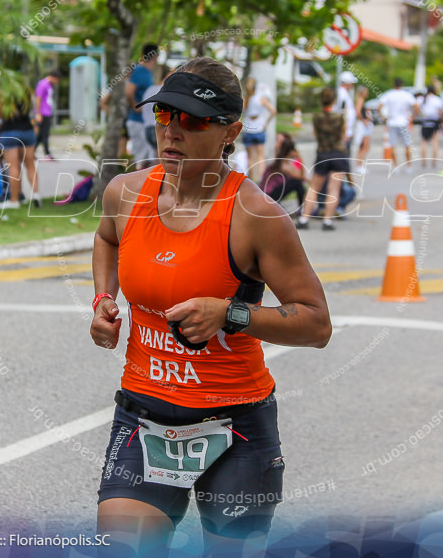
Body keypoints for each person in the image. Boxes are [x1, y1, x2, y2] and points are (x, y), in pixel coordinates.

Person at [90, 56, 331, 556]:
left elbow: (316, 323)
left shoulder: (256, 217)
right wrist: (102, 299)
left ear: (230, 132)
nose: (172, 133)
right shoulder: (126, 192)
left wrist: (230, 314)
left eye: (192, 121)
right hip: (144, 416)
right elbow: (106, 237)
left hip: (235, 428)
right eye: (164, 117)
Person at [297, 87, 350, 231]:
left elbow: (315, 133)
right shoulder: (339, 117)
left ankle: (304, 218)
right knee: (334, 189)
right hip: (338, 153)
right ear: (334, 101)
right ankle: (327, 221)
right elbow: (343, 135)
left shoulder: (317, 117)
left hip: (323, 153)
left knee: (314, 187)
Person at [0, 90, 40, 209]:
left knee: (13, 167)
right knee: (30, 164)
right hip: (27, 130)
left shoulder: (3, 93)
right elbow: (33, 108)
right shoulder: (26, 92)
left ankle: (14, 200)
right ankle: (36, 194)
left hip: (9, 131)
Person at [125, 44, 160, 167]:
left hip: (142, 122)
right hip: (137, 121)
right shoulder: (140, 71)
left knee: (144, 158)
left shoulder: (146, 72)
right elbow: (129, 90)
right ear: (155, 56)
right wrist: (136, 106)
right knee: (138, 160)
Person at [241, 77, 276, 183]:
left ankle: (251, 181)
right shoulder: (260, 98)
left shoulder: (245, 99)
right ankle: (262, 180)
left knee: (250, 158)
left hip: (248, 129)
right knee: (261, 157)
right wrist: (266, 123)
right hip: (260, 128)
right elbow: (273, 111)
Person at [260, 132, 306, 211]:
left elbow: (302, 177)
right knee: (297, 183)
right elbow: (301, 177)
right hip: (268, 195)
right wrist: (300, 157)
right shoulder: (283, 165)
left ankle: (303, 208)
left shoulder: (281, 162)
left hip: (267, 193)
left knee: (297, 182)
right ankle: (302, 210)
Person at [378, 78, 415, 169]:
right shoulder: (406, 95)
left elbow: (379, 107)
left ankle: (396, 166)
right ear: (402, 85)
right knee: (407, 145)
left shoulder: (389, 94)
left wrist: (383, 117)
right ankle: (408, 166)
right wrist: (412, 118)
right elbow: (416, 106)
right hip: (403, 122)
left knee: (392, 145)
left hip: (392, 122)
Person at [140, 64, 170, 170]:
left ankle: (147, 176)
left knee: (157, 157)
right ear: (167, 75)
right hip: (157, 128)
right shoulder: (164, 91)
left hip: (147, 129)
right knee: (160, 161)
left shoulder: (149, 90)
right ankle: (151, 178)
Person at [34, 69, 60, 161]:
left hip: (47, 112)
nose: (56, 82)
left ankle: (32, 152)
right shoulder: (42, 84)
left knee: (41, 135)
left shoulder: (49, 85)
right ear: (53, 77)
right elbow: (38, 98)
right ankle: (47, 154)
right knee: (45, 134)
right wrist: (38, 113)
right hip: (42, 113)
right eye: (56, 80)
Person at [417, 84, 443, 171]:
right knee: (435, 142)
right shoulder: (437, 99)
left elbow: (417, 108)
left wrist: (422, 114)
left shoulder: (422, 99)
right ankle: (434, 161)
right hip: (434, 121)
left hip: (425, 121)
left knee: (424, 141)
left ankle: (424, 161)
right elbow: (440, 112)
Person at [351, 85, 373, 173]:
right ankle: (359, 165)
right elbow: (358, 111)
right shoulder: (360, 100)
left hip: (363, 124)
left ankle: (359, 164)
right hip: (364, 125)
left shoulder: (359, 100)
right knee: (365, 146)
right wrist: (364, 120)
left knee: (363, 146)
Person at [336, 71, 358, 155]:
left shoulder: (344, 93)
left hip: (346, 131)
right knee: (343, 156)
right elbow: (341, 114)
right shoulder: (341, 94)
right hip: (344, 132)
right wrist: (344, 132)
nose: (352, 85)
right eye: (351, 83)